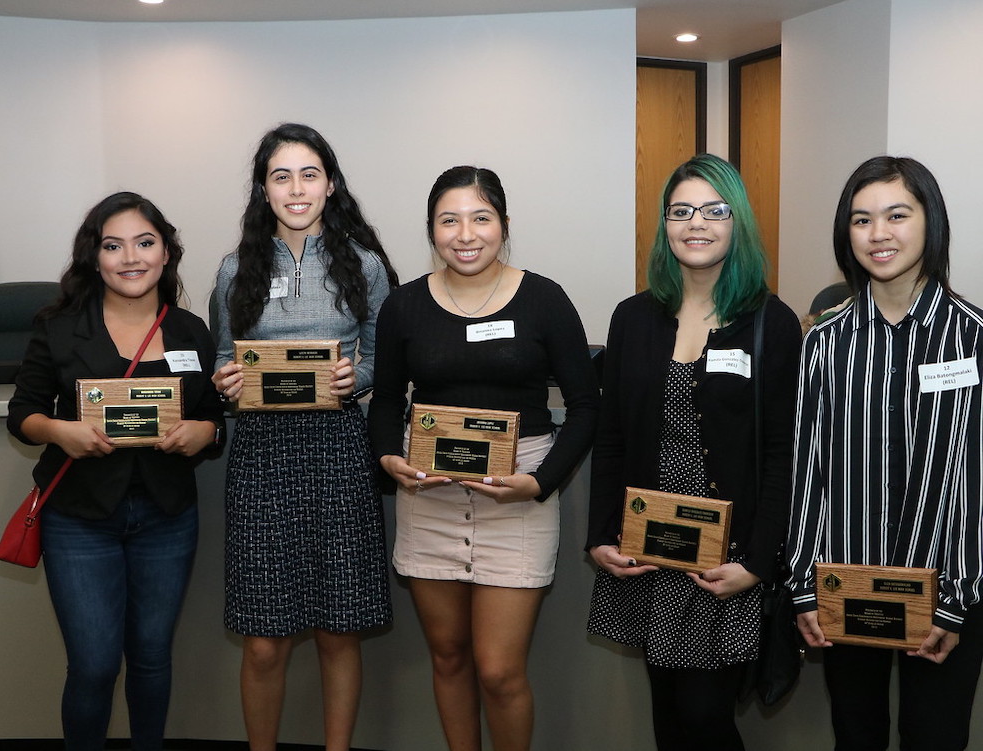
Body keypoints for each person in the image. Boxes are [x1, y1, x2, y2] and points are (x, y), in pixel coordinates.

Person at [367, 165, 599, 751]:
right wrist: (388, 458)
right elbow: (388, 400)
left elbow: (586, 406)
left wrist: (539, 482)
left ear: (504, 225)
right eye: (449, 220)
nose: (465, 233)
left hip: (518, 491)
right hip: (430, 493)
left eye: (480, 217)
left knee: (498, 669)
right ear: (431, 230)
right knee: (447, 658)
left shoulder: (544, 299)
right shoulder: (403, 306)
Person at [585, 154, 802, 751]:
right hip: (649, 554)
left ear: (738, 223)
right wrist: (601, 536)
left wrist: (758, 563)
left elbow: (783, 453)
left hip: (725, 563)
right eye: (680, 211)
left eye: (713, 210)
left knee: (707, 718)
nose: (696, 223)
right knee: (670, 719)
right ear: (664, 225)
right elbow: (612, 439)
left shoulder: (771, 323)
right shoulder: (633, 318)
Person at [6, 191, 226, 750]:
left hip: (166, 517)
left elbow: (209, 416)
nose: (131, 257)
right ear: (94, 257)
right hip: (80, 519)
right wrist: (60, 431)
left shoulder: (190, 332)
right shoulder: (59, 327)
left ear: (166, 252)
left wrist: (207, 433)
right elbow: (22, 414)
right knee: (95, 665)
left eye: (145, 242)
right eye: (113, 245)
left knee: (151, 660)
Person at [785, 155, 983, 751]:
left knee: (935, 738)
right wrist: (803, 588)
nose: (879, 234)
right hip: (849, 588)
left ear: (931, 221)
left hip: (948, 588)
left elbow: (978, 479)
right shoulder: (823, 341)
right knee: (857, 739)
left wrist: (956, 602)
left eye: (897, 215)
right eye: (861, 219)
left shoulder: (973, 337)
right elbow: (806, 472)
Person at [211, 123, 398, 751]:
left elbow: (379, 360)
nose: (296, 189)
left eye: (309, 174)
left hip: (338, 450)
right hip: (261, 455)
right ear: (263, 190)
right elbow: (220, 360)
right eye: (281, 176)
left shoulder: (366, 266)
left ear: (331, 184)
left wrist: (355, 375)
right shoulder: (235, 268)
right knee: (265, 639)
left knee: (338, 628)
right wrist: (228, 380)